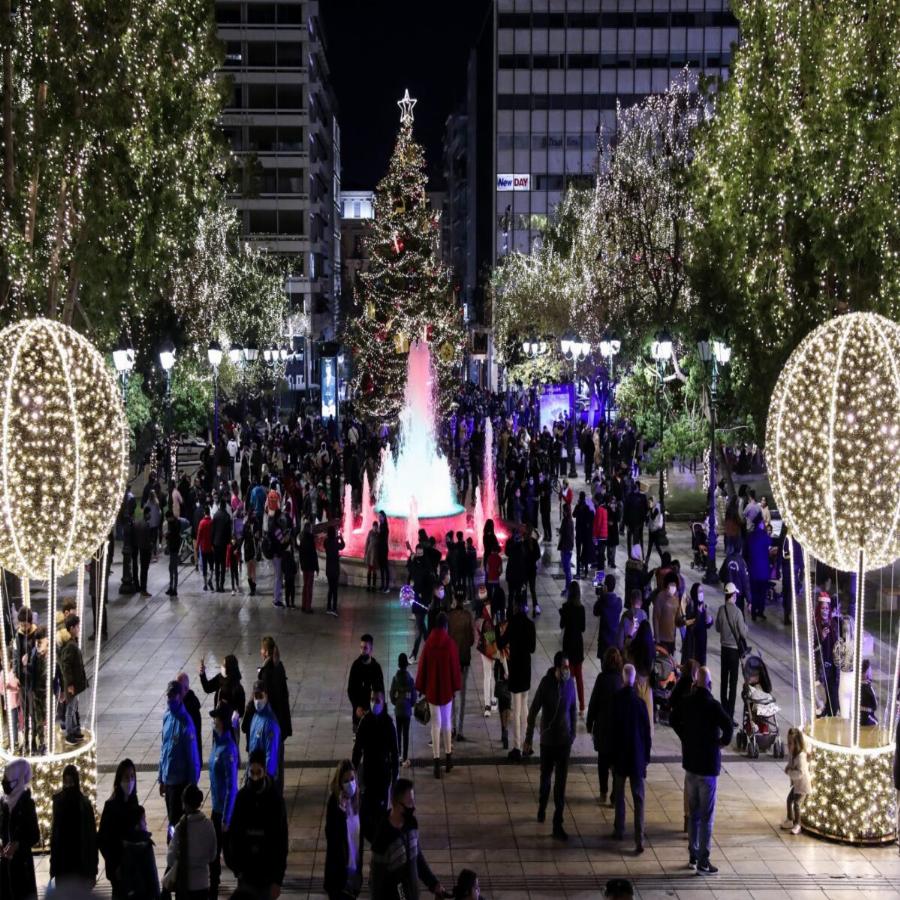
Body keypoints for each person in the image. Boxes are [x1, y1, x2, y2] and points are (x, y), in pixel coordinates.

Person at [670, 666, 733, 875]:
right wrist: (720, 743)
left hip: (691, 766)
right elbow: (728, 726)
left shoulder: (687, 702)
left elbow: (672, 719)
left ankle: (693, 856)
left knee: (694, 814)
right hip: (708, 767)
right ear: (710, 684)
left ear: (695, 683)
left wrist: (685, 737)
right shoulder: (713, 705)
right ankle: (704, 860)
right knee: (707, 817)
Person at [523, 651, 577, 841]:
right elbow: (533, 710)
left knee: (560, 785)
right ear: (556, 668)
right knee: (545, 779)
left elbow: (573, 709)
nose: (567, 670)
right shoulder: (546, 684)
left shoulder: (570, 684)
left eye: (568, 667)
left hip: (564, 742)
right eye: (564, 667)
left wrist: (572, 734)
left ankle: (557, 824)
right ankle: (542, 806)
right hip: (548, 742)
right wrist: (529, 738)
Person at [369, 778, 445, 900]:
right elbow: (377, 882)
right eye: (410, 802)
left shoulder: (411, 824)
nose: (414, 806)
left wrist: (433, 884)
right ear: (397, 804)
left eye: (413, 801)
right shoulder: (382, 838)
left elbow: (417, 857)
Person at [227, 749, 288, 899]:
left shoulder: (275, 800)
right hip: (246, 874)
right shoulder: (242, 798)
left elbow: (281, 841)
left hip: (267, 875)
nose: (255, 777)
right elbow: (233, 835)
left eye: (258, 773)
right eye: (252, 773)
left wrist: (277, 880)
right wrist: (237, 869)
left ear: (264, 772)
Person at [610, 664, 652, 853]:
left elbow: (611, 730)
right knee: (639, 798)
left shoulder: (616, 701)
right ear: (634, 680)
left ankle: (619, 829)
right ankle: (639, 838)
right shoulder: (640, 704)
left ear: (623, 678)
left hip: (620, 756)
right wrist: (646, 757)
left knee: (619, 794)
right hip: (636, 758)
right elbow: (647, 734)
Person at [415, 612, 462, 780]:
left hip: (432, 690)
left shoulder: (428, 644)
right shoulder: (450, 644)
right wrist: (455, 686)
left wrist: (421, 687)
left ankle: (436, 762)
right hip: (446, 690)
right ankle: (448, 758)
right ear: (446, 626)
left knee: (435, 724)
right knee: (447, 722)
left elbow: (422, 667)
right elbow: (455, 668)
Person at [351, 690, 399, 844]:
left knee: (380, 811)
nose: (374, 703)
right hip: (368, 775)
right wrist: (353, 771)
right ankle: (372, 837)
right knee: (367, 811)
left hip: (383, 776)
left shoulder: (388, 723)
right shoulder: (365, 722)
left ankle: (378, 840)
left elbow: (394, 752)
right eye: (372, 699)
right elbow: (357, 750)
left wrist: (395, 776)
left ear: (383, 702)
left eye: (377, 700)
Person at [158, 681, 201, 840]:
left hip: (180, 784)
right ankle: (174, 847)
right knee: (172, 819)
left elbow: (192, 758)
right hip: (168, 782)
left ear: (179, 696)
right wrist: (161, 777)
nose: (170, 699)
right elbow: (163, 749)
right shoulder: (167, 717)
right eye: (168, 695)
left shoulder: (186, 724)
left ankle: (174, 847)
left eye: (173, 695)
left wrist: (192, 787)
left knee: (175, 823)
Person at [496, 594, 536, 762]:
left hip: (515, 669)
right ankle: (527, 744)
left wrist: (497, 631)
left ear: (515, 607)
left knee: (517, 710)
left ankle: (517, 747)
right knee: (525, 708)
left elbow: (500, 644)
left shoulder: (512, 624)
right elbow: (532, 648)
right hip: (526, 669)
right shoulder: (530, 624)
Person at [49, 763, 99, 890]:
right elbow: (55, 836)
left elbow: (91, 838)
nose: (68, 785)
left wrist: (93, 870)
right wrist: (53, 867)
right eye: (66, 782)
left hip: (80, 863)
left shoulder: (84, 805)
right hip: (63, 863)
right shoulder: (58, 803)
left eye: (71, 782)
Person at [586, 647, 624, 805]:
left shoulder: (601, 679)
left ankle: (603, 792)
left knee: (603, 762)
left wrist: (589, 723)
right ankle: (615, 796)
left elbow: (593, 702)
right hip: (617, 730)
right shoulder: (621, 680)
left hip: (603, 728)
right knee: (616, 764)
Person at [166, 783, 216, 900]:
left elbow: (170, 859)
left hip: (184, 885)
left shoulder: (180, 827)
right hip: (203, 884)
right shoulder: (209, 825)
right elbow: (213, 855)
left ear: (184, 804)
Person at [208, 704, 239, 898]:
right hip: (216, 807)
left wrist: (226, 818)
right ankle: (214, 884)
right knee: (214, 850)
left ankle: (243, 879)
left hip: (225, 812)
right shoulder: (217, 743)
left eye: (216, 719)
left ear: (224, 722)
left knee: (229, 853)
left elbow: (231, 786)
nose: (214, 722)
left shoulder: (228, 749)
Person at [0, 758, 40, 900]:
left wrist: (18, 844)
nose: (4, 782)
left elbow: (34, 835)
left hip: (22, 868)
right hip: (5, 867)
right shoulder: (4, 803)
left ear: (17, 780)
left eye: (7, 779)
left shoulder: (27, 804)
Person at [98, 758, 138, 898]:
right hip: (118, 869)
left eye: (132, 776)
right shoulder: (111, 806)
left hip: (133, 868)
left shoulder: (134, 803)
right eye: (126, 777)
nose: (130, 781)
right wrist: (115, 865)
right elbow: (103, 840)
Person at [324, 760, 363, 900]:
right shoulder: (334, 803)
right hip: (338, 876)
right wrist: (341, 810)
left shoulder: (359, 801)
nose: (350, 784)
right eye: (346, 781)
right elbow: (331, 835)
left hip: (354, 874)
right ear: (339, 783)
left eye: (352, 779)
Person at [258, 636, 292, 772]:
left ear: (266, 652)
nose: (260, 652)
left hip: (273, 720)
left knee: (272, 758)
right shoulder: (279, 666)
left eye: (262, 649)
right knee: (279, 756)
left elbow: (268, 698)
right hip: (281, 719)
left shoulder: (267, 671)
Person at [715, 583, 748, 722]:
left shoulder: (721, 610)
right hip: (734, 651)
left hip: (724, 650)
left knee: (723, 681)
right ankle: (730, 715)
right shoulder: (738, 612)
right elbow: (743, 633)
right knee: (732, 684)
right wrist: (745, 627)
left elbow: (717, 628)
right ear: (733, 595)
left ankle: (723, 711)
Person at [199, 654, 246, 744]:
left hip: (230, 725)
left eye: (224, 664)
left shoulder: (237, 687)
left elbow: (241, 710)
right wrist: (202, 674)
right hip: (218, 721)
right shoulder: (220, 678)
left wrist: (234, 716)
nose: (222, 666)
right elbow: (207, 688)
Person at [118, 804, 160, 900]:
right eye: (143, 819)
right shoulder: (146, 845)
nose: (146, 823)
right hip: (147, 894)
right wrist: (157, 895)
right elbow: (152, 874)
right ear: (137, 824)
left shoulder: (124, 845)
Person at [448, 590, 475, 741]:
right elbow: (471, 640)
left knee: (452, 695)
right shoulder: (468, 616)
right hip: (464, 660)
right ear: (464, 599)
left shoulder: (449, 616)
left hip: (452, 661)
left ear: (454, 598)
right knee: (463, 696)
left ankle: (452, 727)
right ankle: (460, 730)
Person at [243, 680, 281, 784]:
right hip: (254, 774)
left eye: (261, 696)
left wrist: (267, 780)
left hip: (262, 777)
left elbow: (271, 754)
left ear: (266, 696)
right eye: (256, 696)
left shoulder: (270, 723)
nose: (258, 700)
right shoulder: (255, 717)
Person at [347, 634, 385, 734]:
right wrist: (356, 706)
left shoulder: (376, 668)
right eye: (361, 647)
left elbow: (381, 692)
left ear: (371, 650)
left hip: (373, 715)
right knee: (357, 740)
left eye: (365, 648)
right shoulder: (356, 666)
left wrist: (379, 711)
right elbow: (351, 690)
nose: (362, 651)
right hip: (358, 715)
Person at [58, 613, 87, 745]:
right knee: (70, 708)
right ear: (71, 628)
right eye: (77, 627)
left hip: (74, 682)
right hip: (72, 684)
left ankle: (74, 730)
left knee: (73, 706)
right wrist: (69, 684)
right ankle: (70, 733)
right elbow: (66, 665)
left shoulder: (72, 642)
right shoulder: (70, 645)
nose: (78, 629)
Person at [559, 581, 586, 714]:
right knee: (579, 677)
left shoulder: (565, 607)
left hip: (568, 644)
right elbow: (583, 628)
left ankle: (568, 704)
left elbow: (561, 625)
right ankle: (582, 706)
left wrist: (562, 614)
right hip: (578, 645)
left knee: (567, 677)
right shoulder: (581, 608)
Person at [781, 727, 810, 835]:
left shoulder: (801, 756)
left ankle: (798, 824)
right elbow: (790, 763)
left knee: (797, 803)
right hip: (796, 785)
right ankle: (790, 819)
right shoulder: (792, 754)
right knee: (789, 800)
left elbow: (800, 773)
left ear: (796, 744)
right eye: (788, 743)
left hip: (803, 786)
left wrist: (789, 772)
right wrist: (788, 767)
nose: (788, 746)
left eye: (790, 743)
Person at [390, 653, 416, 767]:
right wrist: (410, 704)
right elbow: (414, 696)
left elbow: (391, 694)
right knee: (406, 734)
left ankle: (398, 755)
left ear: (398, 664)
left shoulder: (395, 679)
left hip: (398, 709)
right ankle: (405, 758)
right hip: (407, 710)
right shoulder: (410, 679)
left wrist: (395, 702)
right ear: (406, 664)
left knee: (398, 733)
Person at [594, 574, 623, 662]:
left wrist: (601, 597)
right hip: (614, 639)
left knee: (604, 664)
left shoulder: (602, 601)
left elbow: (595, 612)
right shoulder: (619, 602)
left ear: (605, 586)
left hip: (604, 640)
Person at [681, 584, 712, 666]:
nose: (701, 593)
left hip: (702, 642)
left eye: (702, 591)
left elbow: (707, 625)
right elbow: (690, 625)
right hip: (693, 643)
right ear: (695, 593)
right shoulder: (691, 606)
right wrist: (698, 613)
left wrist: (709, 619)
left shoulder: (703, 606)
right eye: (699, 591)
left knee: (701, 666)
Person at [652, 572, 681, 655]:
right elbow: (655, 618)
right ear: (666, 585)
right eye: (671, 585)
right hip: (661, 639)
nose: (673, 588)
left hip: (671, 638)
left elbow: (677, 618)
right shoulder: (660, 597)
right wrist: (657, 638)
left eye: (674, 585)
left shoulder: (676, 598)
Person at [178, 672, 204, 763]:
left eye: (179, 688)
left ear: (186, 689)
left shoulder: (190, 709)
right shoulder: (180, 705)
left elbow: (192, 736)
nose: (177, 691)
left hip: (190, 758)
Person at [211, 501, 232, 594]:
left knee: (216, 565)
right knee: (223, 564)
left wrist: (212, 543)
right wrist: (228, 542)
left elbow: (212, 531)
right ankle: (222, 585)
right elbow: (229, 532)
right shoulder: (227, 516)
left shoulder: (215, 516)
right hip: (223, 544)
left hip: (216, 543)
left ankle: (217, 585)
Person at [324, 525, 345, 616]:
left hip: (329, 569)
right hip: (335, 569)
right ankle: (334, 608)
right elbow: (343, 546)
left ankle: (328, 607)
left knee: (330, 589)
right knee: (335, 590)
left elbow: (326, 543)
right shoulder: (336, 542)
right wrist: (340, 538)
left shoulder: (326, 542)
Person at [299, 521, 319, 613]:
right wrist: (317, 567)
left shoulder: (302, 539)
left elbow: (301, 554)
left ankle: (303, 605)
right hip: (310, 566)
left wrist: (301, 564)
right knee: (309, 587)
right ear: (309, 529)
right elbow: (314, 555)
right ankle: (308, 607)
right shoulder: (311, 540)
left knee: (305, 586)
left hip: (304, 566)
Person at [135, 507, 154, 596]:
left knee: (143, 569)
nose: (150, 515)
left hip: (141, 548)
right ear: (147, 514)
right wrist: (151, 545)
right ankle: (144, 589)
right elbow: (148, 539)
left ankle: (142, 588)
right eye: (149, 513)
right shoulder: (146, 525)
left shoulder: (139, 523)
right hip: (146, 549)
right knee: (144, 570)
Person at [195, 506, 214, 591]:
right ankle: (210, 579)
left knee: (204, 566)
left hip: (203, 548)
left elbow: (199, 536)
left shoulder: (201, 523)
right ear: (209, 513)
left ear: (204, 513)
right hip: (211, 548)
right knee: (211, 566)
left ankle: (205, 584)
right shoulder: (212, 522)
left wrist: (196, 546)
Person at [557, 502, 575, 596]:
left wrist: (561, 532)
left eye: (563, 510)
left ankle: (568, 589)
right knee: (566, 569)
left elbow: (567, 535)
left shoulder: (567, 521)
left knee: (567, 570)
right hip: (566, 547)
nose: (562, 512)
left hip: (566, 548)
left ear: (565, 511)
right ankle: (568, 588)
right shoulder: (568, 520)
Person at [165, 512, 182, 597]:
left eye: (168, 518)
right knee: (171, 568)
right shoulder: (170, 522)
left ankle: (174, 588)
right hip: (171, 548)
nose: (167, 520)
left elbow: (174, 534)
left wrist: (168, 535)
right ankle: (171, 586)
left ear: (171, 517)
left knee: (174, 568)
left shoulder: (176, 523)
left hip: (174, 548)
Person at [860, 659, 878, 726]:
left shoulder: (858, 686)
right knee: (877, 723)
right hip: (868, 718)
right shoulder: (869, 688)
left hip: (858, 717)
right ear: (866, 673)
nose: (871, 673)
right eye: (870, 671)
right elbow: (875, 706)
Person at [364, 521, 379, 593]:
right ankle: (368, 585)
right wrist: (365, 552)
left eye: (376, 527)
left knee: (374, 570)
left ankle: (373, 586)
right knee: (369, 569)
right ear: (372, 526)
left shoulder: (378, 534)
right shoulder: (370, 533)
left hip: (375, 554)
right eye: (374, 526)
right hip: (370, 553)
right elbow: (367, 542)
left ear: (377, 527)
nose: (375, 528)